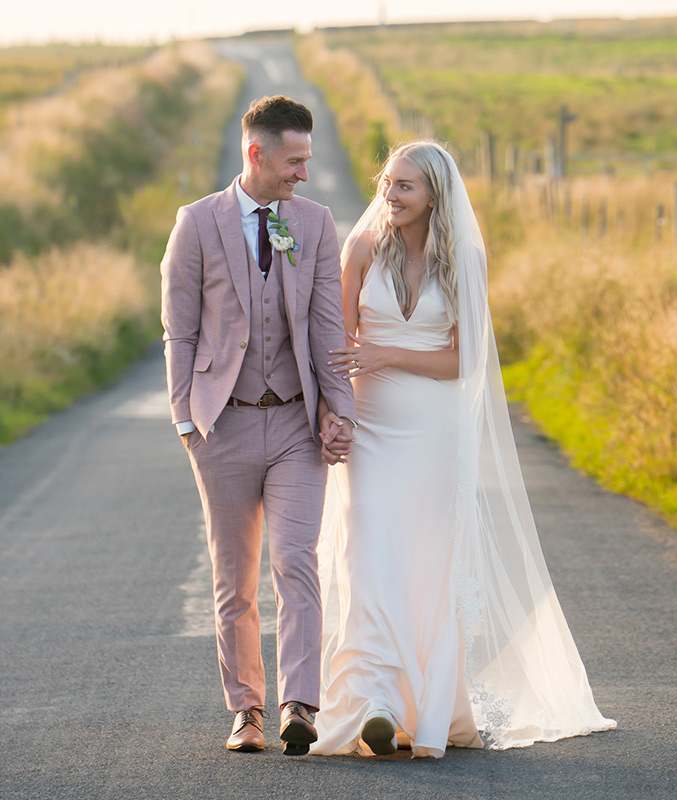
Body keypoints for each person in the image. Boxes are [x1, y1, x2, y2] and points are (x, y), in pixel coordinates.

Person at [312, 141, 614, 758]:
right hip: (370, 428)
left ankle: (424, 707)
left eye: (405, 188)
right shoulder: (362, 247)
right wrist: (335, 414)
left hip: (435, 431)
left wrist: (388, 353)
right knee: (368, 552)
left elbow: (464, 360)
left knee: (427, 563)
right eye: (387, 183)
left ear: (434, 196)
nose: (390, 197)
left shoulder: (464, 258)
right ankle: (374, 701)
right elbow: (338, 344)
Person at [160, 95, 357, 756]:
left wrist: (340, 413)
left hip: (298, 427)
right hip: (224, 427)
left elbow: (329, 326)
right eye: (294, 160)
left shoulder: (316, 223)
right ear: (257, 154)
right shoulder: (195, 224)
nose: (304, 172)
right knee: (234, 577)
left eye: (307, 159)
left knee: (296, 562)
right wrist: (187, 419)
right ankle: (245, 712)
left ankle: (299, 703)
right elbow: (178, 331)